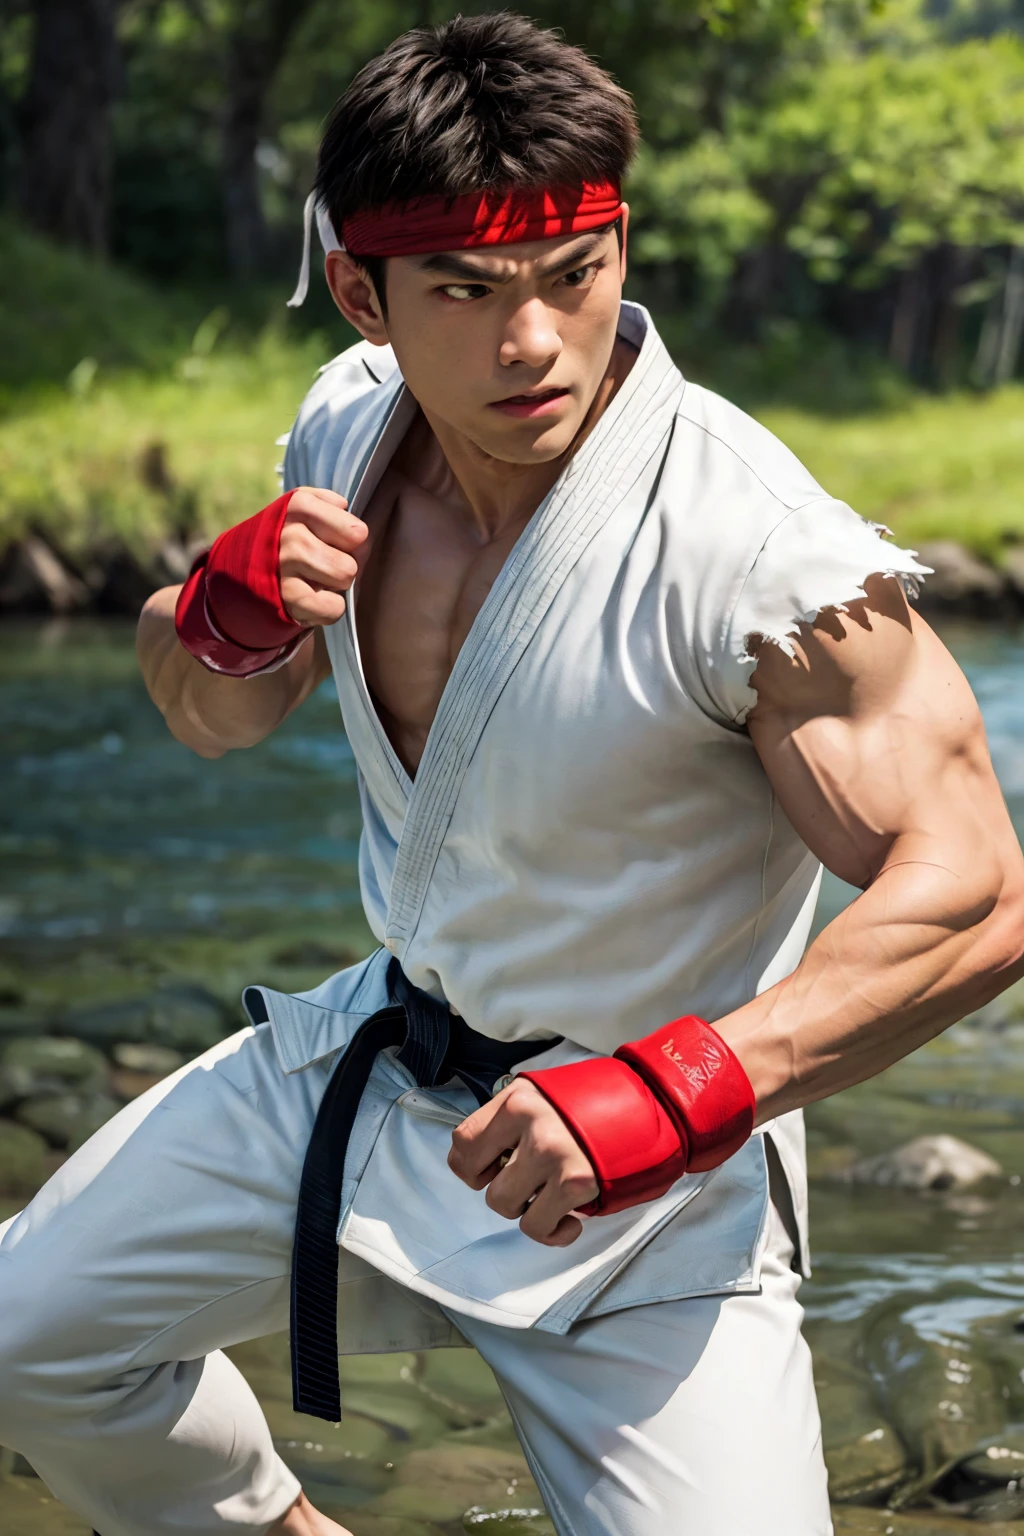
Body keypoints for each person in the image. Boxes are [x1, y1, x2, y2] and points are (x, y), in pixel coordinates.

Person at [1, 13, 1022, 1536]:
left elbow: (975, 893)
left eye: (572, 275)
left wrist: (684, 1090)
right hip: (376, 1068)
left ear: (619, 241)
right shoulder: (346, 427)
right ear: (363, 290)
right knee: (30, 1342)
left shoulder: (756, 556)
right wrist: (213, 618)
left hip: (654, 1190)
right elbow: (212, 720)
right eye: (467, 293)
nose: (531, 341)